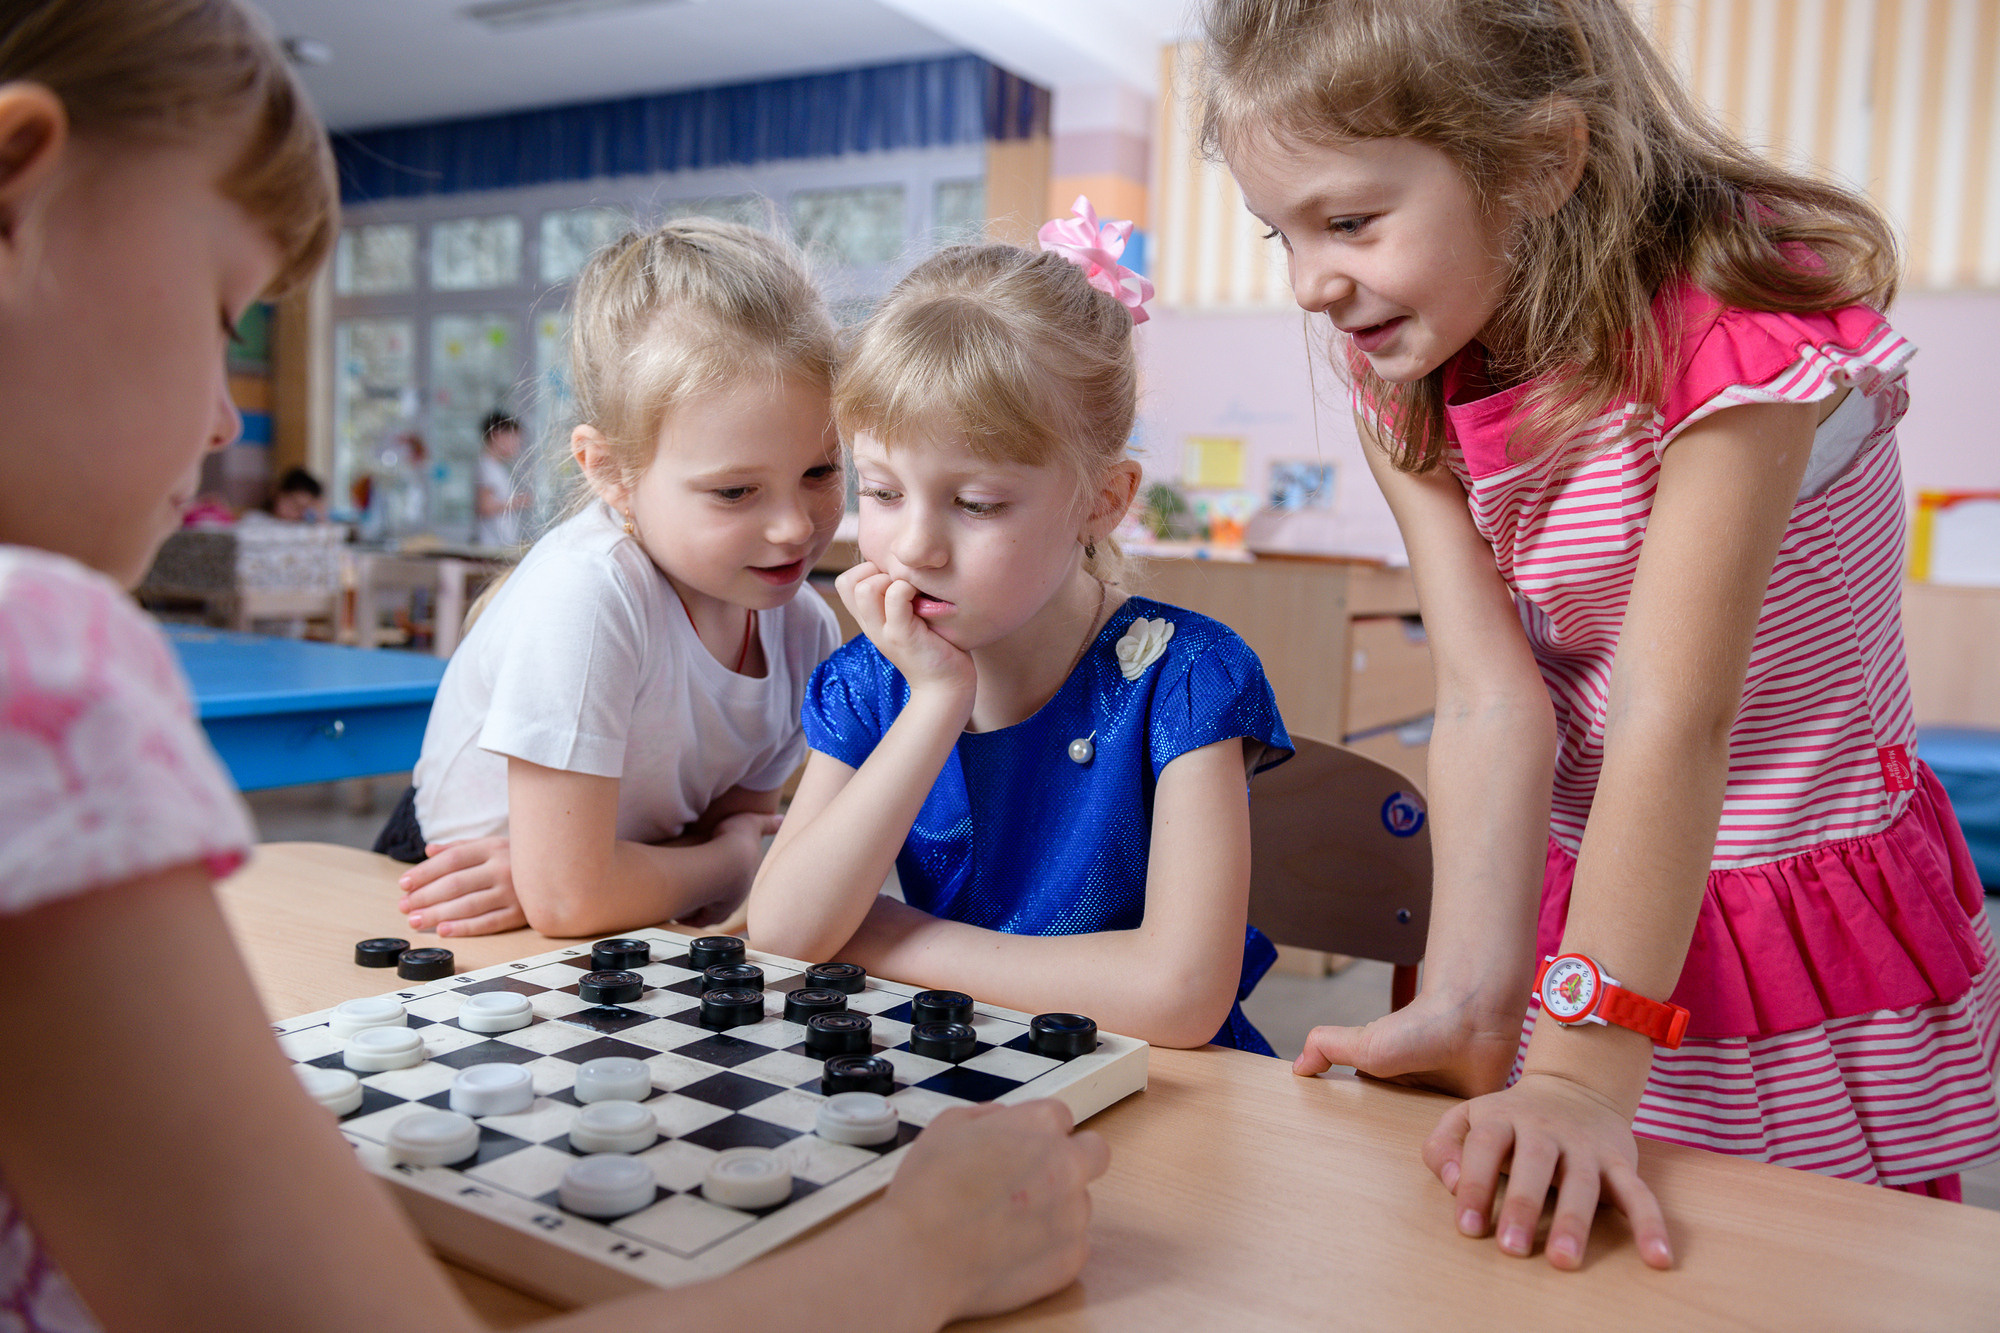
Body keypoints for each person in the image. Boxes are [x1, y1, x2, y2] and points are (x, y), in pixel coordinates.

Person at [0, 5, 1105, 1331]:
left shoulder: (812, 622)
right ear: (20, 191)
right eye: (221, 312)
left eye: (823, 476)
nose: (228, 413)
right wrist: (923, 1257)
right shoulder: (43, 665)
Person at [1202, 0, 2000, 1272]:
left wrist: (1577, 1072)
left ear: (1538, 160)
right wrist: (1474, 996)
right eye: (1278, 233)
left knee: (1789, 1263)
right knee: (1549, 1254)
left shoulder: (1735, 323)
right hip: (1586, 878)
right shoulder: (1403, 369)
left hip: (1771, 871)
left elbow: (1672, 716)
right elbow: (1482, 696)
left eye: (1348, 221)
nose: (1308, 282)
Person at [746, 201, 1295, 1052]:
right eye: (883, 491)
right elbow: (784, 930)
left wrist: (889, 938)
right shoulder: (877, 678)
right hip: (963, 1076)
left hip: (1164, 1101)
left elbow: (1179, 995)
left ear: (1101, 500)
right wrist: (935, 700)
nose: (915, 545)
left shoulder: (1184, 678)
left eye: (976, 503)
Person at [379, 219, 845, 941]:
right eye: (734, 492)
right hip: (451, 900)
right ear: (610, 473)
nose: (793, 528)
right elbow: (578, 899)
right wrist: (719, 863)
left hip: (620, 915)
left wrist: (647, 871)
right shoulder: (589, 592)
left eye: (820, 471)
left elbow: (734, 841)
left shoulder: (803, 626)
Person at [474, 410, 530, 549]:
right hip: (489, 546)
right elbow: (485, 506)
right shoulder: (487, 466)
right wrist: (518, 501)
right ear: (497, 435)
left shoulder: (497, 467)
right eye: (513, 439)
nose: (517, 445)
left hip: (500, 545)